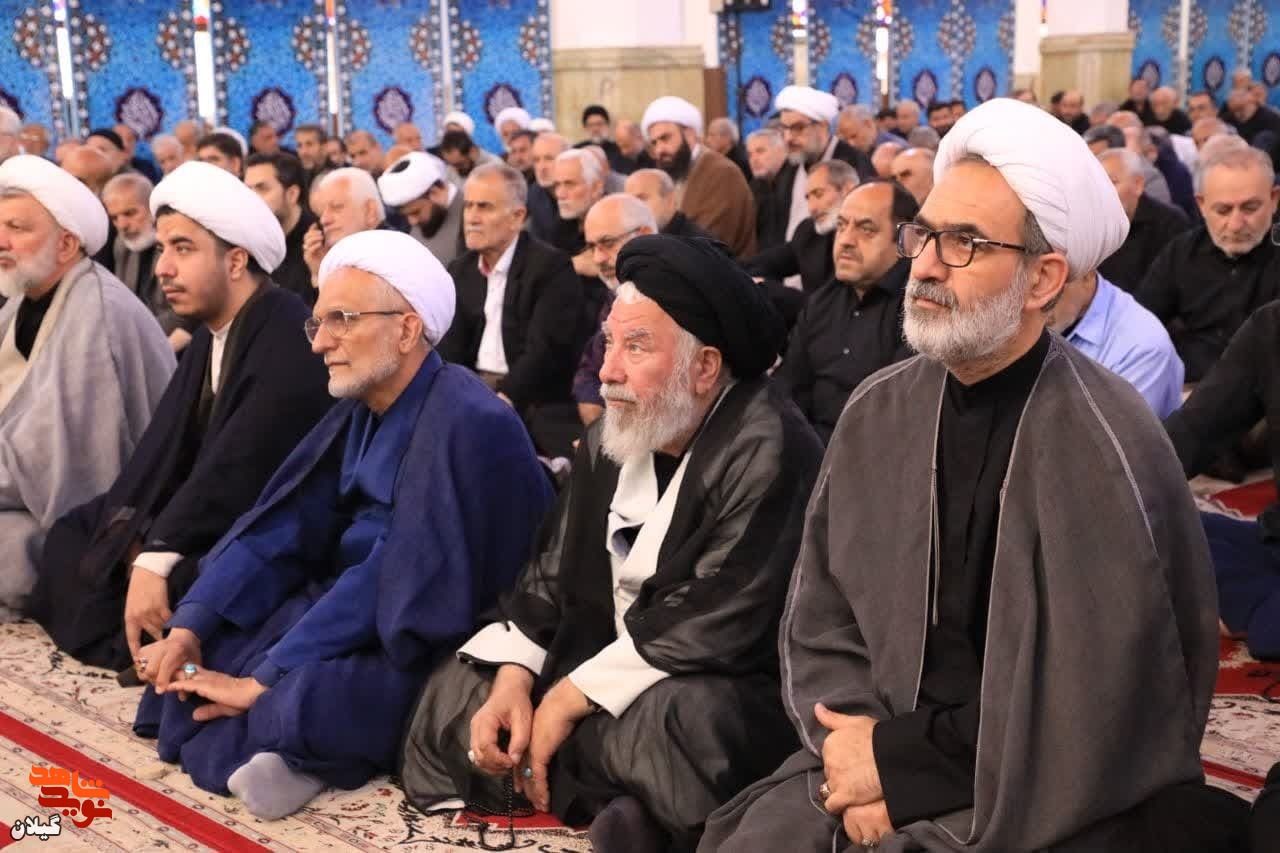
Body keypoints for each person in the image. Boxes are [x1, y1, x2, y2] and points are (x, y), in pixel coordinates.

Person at [702, 96, 1246, 853]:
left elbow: (1102, 701)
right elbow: (823, 614)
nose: (924, 264)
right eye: (924, 233)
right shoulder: (879, 411)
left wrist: (898, 772)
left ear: (1042, 278)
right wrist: (853, 751)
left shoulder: (1107, 438)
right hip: (876, 737)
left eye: (964, 243)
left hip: (1034, 781)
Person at [402, 234, 823, 853]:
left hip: (711, 675)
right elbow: (550, 574)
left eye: (636, 347)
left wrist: (567, 700)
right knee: (460, 686)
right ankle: (617, 795)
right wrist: (517, 678)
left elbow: (720, 616)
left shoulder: (770, 444)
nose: (607, 370)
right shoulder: (616, 432)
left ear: (705, 367)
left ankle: (591, 784)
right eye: (608, 344)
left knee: (687, 724)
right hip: (604, 659)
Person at [130, 228, 553, 819]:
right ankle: (283, 748)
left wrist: (267, 676)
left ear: (407, 329)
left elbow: (399, 574)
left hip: (433, 628)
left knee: (306, 696)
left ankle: (300, 754)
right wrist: (192, 625)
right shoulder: (360, 405)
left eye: (342, 321)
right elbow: (286, 526)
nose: (320, 343)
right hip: (351, 606)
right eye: (318, 322)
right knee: (204, 656)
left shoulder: (467, 419)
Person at [29, 161, 333, 669]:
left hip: (261, 527)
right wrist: (138, 531)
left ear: (236, 261)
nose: (163, 268)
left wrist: (158, 551)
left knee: (192, 580)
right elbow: (163, 452)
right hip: (202, 513)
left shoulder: (287, 336)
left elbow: (238, 473)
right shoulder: (211, 334)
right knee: (75, 532)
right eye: (163, 248)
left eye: (183, 248)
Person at [0, 156, 174, 619]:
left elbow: (76, 468)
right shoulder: (22, 300)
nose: (1, 241)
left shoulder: (96, 315)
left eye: (17, 228)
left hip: (83, 522)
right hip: (21, 496)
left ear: (66, 243)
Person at [437, 162, 586, 458]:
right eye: (468, 206)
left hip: (534, 399)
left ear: (517, 217)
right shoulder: (459, 270)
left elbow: (545, 350)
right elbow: (450, 350)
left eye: (484, 207)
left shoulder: (551, 267)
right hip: (472, 390)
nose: (472, 218)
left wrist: (502, 398)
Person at [773, 180, 916, 443]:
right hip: (807, 449)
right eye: (841, 226)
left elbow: (895, 415)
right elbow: (789, 388)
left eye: (866, 229)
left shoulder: (917, 308)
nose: (846, 240)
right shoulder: (822, 301)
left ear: (904, 242)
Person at [1135, 145, 1280, 381]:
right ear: (1201, 205)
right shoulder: (1181, 253)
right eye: (1223, 210)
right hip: (1192, 388)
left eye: (1250, 208)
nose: (1236, 224)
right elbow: (1140, 323)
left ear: (1274, 199)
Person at [570, 194, 659, 426]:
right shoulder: (617, 292)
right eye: (592, 247)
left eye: (608, 243)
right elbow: (590, 370)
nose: (598, 258)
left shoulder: (674, 297)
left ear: (645, 234)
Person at [1049, 269, 1184, 418]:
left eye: (1051, 281)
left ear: (1087, 273)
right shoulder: (1042, 315)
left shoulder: (1143, 349)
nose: (1038, 299)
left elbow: (1107, 431)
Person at [641, 96, 756, 257]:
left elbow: (709, 245)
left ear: (690, 134)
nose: (659, 149)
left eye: (665, 138)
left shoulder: (722, 173)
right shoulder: (677, 171)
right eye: (654, 143)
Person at [771, 86, 874, 245]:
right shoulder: (791, 164)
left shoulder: (853, 162)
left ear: (823, 126)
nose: (788, 138)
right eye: (784, 128)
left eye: (798, 128)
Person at [100, 172, 190, 348]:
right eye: (114, 218)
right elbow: (124, 303)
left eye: (130, 213)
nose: (122, 225)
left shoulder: (180, 243)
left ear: (152, 209)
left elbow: (188, 313)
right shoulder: (121, 245)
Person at [744, 159, 858, 295]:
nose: (812, 208)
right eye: (808, 198)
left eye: (818, 194)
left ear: (848, 190)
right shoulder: (808, 231)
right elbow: (767, 262)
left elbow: (830, 303)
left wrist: (766, 287)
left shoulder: (862, 240)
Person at [1096, 148, 1190, 292]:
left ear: (1138, 184)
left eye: (1112, 182)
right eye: (1098, 185)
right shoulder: (1092, 227)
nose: (1103, 192)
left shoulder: (1171, 222)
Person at [244, 152, 317, 305]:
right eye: (248, 190)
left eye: (262, 188)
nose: (251, 198)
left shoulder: (318, 243)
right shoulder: (247, 241)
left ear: (292, 194)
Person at [301, 167, 387, 288]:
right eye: (320, 213)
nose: (324, 220)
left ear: (370, 211)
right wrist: (320, 273)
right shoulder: (344, 260)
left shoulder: (396, 256)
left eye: (336, 207)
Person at [377, 151, 465, 265]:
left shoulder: (469, 219)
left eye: (416, 212)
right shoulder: (427, 220)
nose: (412, 222)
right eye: (406, 215)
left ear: (435, 192)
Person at [623, 168, 713, 242]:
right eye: (629, 201)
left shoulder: (697, 245)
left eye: (642, 198)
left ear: (670, 200)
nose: (634, 207)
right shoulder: (628, 239)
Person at [745, 128, 790, 250]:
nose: (754, 159)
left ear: (781, 151)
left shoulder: (794, 182)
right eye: (750, 155)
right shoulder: (755, 186)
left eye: (760, 151)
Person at [580, 104, 631, 174]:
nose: (595, 129)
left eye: (599, 124)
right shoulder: (578, 150)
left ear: (608, 125)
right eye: (590, 125)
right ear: (585, 128)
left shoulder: (620, 150)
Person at [705, 117, 751, 182]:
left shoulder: (739, 163)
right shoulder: (714, 159)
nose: (708, 140)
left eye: (712, 135)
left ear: (727, 137)